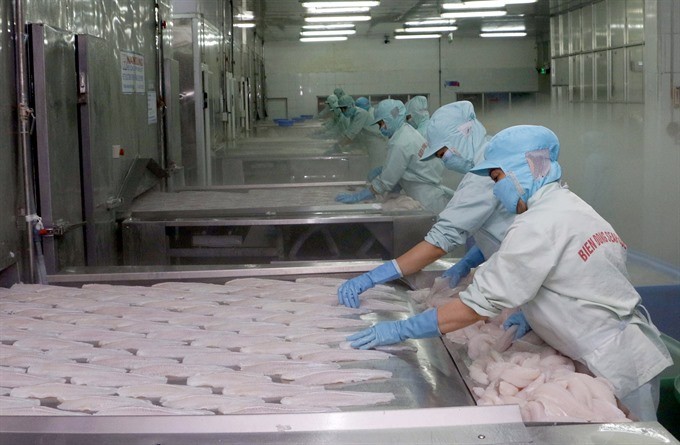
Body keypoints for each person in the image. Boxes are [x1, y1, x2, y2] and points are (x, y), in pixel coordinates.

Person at [346, 125, 673, 422]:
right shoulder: (573, 207)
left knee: (634, 432)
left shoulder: (539, 224)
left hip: (614, 361)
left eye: (498, 178)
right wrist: (537, 313)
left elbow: (476, 306)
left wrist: (402, 330)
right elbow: (581, 279)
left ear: (527, 169)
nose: (496, 188)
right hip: (619, 349)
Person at [336, 101, 515, 308]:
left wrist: (372, 278)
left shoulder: (483, 175)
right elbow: (502, 232)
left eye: (442, 154)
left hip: (521, 272)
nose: (445, 162)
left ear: (462, 136)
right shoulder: (491, 157)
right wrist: (468, 261)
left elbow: (440, 242)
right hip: (515, 266)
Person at [335, 99, 453, 214]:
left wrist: (357, 197)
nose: (381, 128)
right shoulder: (407, 131)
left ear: (391, 118)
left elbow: (385, 182)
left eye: (382, 123)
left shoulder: (400, 142)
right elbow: (406, 167)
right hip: (427, 192)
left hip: (426, 200)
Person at [333, 94, 386, 169]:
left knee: (376, 169)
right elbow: (349, 133)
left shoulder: (360, 114)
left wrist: (337, 146)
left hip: (377, 145)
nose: (343, 111)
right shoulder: (353, 116)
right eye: (341, 109)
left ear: (352, 105)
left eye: (345, 108)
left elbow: (350, 135)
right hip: (369, 144)